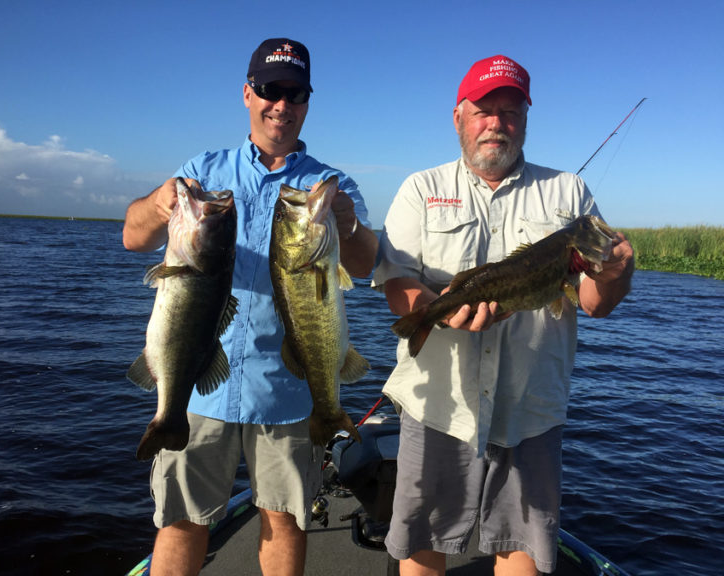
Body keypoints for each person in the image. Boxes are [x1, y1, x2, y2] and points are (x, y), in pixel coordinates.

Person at [123, 38, 378, 576]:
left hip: (287, 388)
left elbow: (363, 264)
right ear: (247, 94)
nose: (281, 104)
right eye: (269, 90)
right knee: (180, 522)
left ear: (307, 102)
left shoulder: (330, 185)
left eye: (294, 93)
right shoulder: (202, 169)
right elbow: (134, 236)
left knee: (283, 520)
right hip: (198, 383)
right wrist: (158, 204)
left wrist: (348, 223)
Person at [372, 55, 634, 576]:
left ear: (526, 120)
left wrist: (616, 271)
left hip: (530, 409)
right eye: (483, 111)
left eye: (510, 112)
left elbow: (594, 302)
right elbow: (397, 284)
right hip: (439, 405)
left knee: (521, 546)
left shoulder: (569, 193)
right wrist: (434, 312)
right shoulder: (420, 188)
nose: (496, 123)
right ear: (458, 117)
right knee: (423, 541)